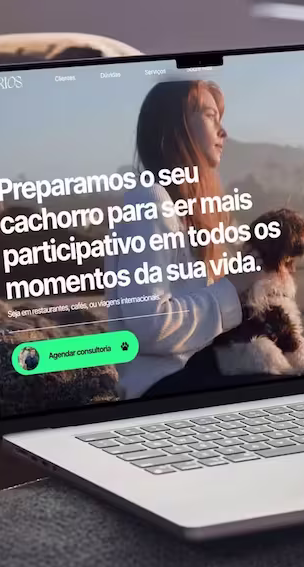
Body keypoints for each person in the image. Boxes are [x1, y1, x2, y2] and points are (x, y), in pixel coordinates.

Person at [104, 80, 257, 398]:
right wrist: (231, 291)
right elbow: (150, 325)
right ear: (174, 128)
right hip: (162, 387)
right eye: (209, 115)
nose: (223, 131)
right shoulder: (150, 198)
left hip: (194, 374)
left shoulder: (187, 210)